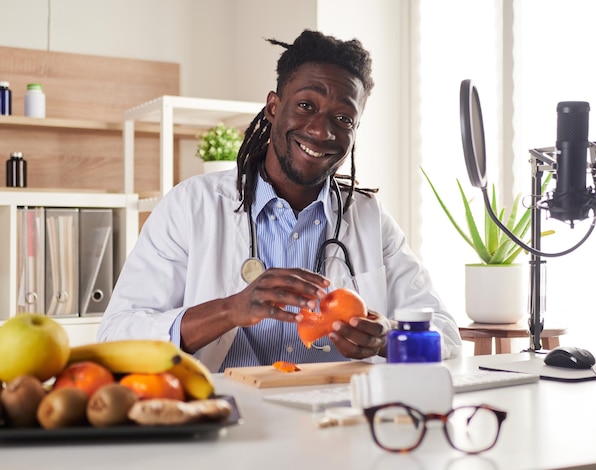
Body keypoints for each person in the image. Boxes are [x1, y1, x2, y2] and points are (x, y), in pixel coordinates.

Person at [98, 30, 462, 372]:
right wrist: (229, 310)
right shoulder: (191, 206)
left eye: (343, 118)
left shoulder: (368, 218)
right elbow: (116, 334)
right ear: (274, 107)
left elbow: (445, 332)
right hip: (226, 421)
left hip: (335, 423)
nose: (322, 131)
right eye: (306, 105)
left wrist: (387, 337)